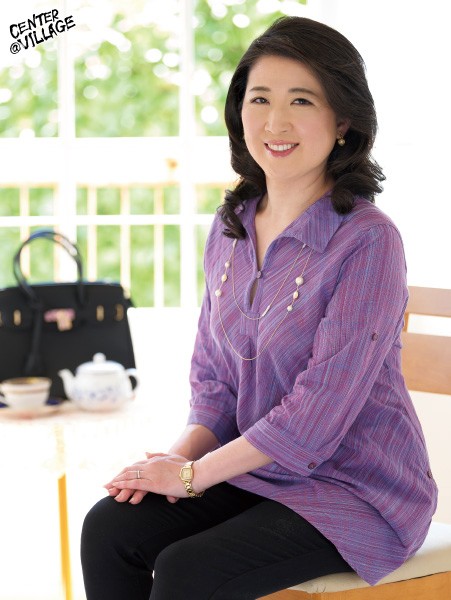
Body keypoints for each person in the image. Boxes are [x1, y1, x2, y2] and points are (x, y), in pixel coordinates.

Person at [81, 16, 438, 600]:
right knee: (110, 527)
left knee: (189, 569)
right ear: (239, 111)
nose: (275, 122)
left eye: (302, 100)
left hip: (356, 490)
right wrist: (169, 463)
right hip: (258, 473)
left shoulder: (369, 241)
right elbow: (215, 384)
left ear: (343, 121)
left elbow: (316, 416)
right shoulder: (232, 228)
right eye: (260, 99)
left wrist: (191, 477)